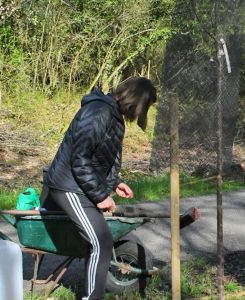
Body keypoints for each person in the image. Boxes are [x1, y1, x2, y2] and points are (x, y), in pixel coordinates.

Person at [41, 77, 157, 299]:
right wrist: (101, 195)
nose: (144, 114)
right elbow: (80, 157)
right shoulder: (98, 111)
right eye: (146, 107)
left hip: (79, 184)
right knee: (102, 242)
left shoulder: (113, 115)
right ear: (137, 100)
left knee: (99, 242)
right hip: (68, 186)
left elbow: (102, 157)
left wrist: (114, 183)